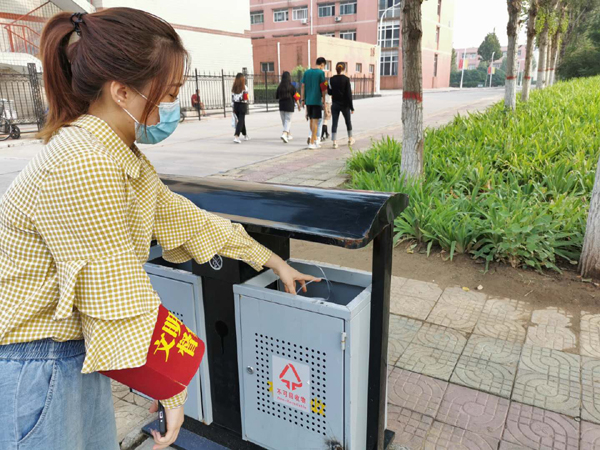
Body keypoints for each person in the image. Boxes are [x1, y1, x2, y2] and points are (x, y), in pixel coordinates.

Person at [0, 9, 318, 450]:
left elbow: (188, 221)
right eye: (168, 93)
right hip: (36, 363)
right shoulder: (81, 162)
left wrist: (273, 261)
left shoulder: (120, 157)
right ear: (121, 91)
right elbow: (115, 287)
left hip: (71, 354)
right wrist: (168, 386)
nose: (174, 107)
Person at [301, 57, 327, 150]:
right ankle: (312, 143)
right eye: (324, 66)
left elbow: (303, 86)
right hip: (316, 100)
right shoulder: (321, 73)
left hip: (308, 100)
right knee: (316, 122)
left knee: (311, 121)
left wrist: (303, 99)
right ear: (322, 64)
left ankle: (315, 140)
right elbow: (323, 88)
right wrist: (324, 100)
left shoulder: (307, 72)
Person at [328, 62, 355, 149]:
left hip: (335, 104)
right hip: (345, 104)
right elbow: (349, 94)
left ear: (336, 69)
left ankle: (334, 142)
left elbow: (329, 92)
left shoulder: (331, 79)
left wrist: (330, 88)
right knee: (348, 121)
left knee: (334, 123)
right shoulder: (346, 79)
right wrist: (351, 107)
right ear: (344, 69)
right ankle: (350, 139)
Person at [276, 71, 300, 143]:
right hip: (289, 106)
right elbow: (296, 97)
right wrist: (299, 105)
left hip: (281, 106)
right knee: (288, 121)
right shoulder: (292, 87)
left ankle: (288, 135)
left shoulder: (279, 87)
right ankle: (284, 134)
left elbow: (277, 96)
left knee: (284, 122)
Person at [231, 73, 250, 144]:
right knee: (241, 121)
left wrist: (233, 107)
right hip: (242, 105)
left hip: (236, 105)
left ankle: (245, 135)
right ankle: (236, 136)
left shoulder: (234, 88)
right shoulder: (245, 87)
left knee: (241, 121)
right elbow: (246, 98)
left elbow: (232, 98)